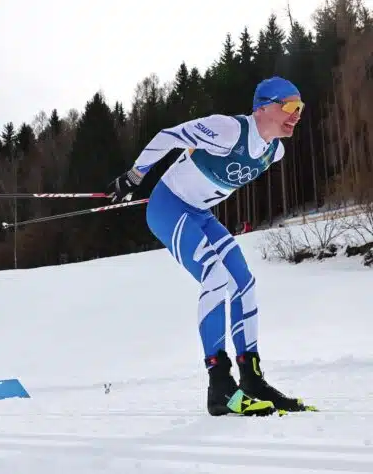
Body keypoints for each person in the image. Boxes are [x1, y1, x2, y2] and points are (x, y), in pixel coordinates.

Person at [107, 76, 316, 416]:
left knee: (243, 283)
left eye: (300, 108)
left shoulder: (274, 152)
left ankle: (252, 379)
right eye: (290, 106)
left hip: (199, 214)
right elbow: (168, 137)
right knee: (216, 277)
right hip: (168, 207)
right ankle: (219, 384)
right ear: (263, 107)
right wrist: (133, 176)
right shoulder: (228, 130)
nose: (296, 115)